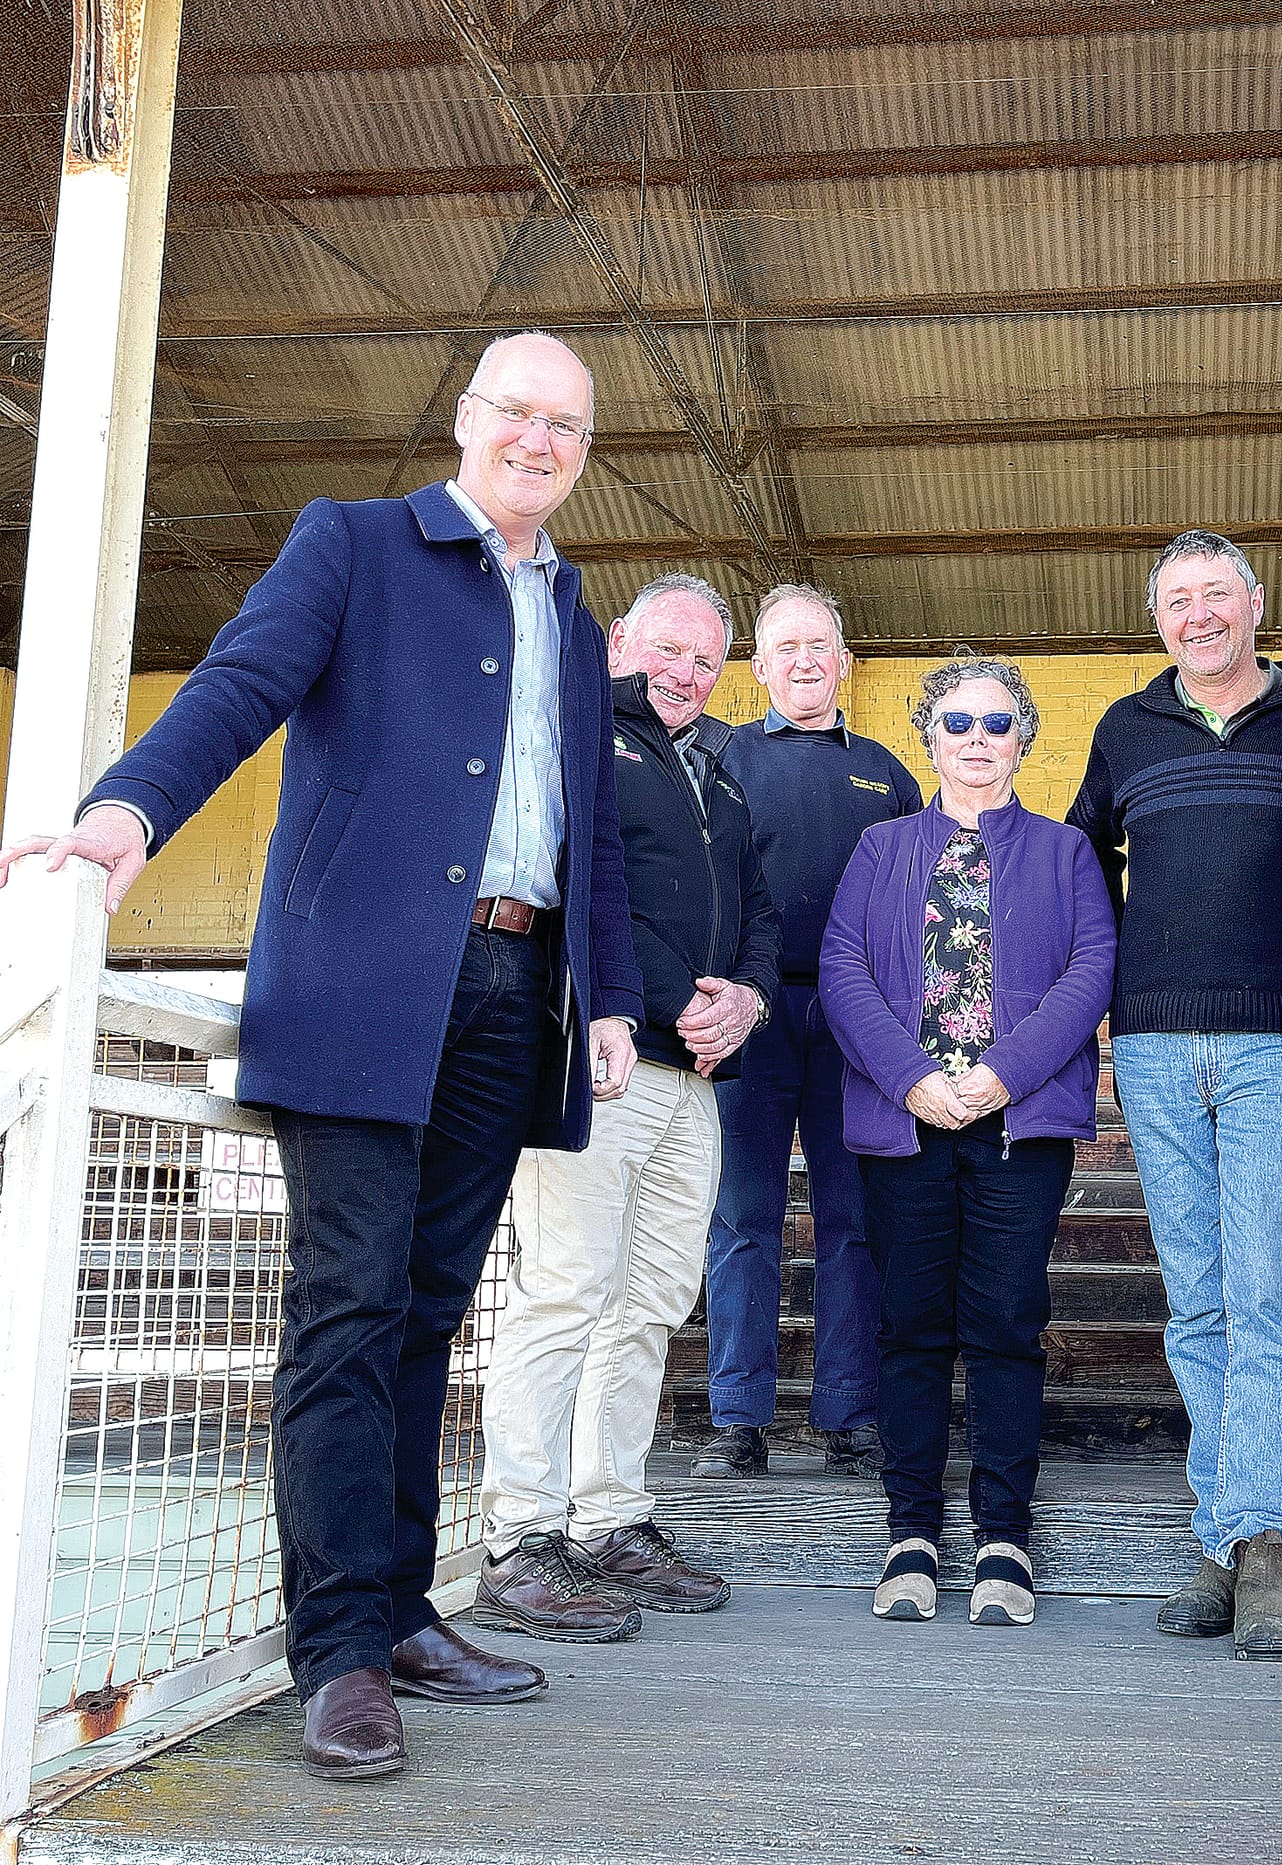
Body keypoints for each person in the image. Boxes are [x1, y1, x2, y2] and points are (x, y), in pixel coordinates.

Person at [0, 332, 643, 1780]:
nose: (539, 441)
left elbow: (586, 828)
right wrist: (126, 814)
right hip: (365, 983)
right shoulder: (354, 544)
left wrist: (608, 991)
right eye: (518, 414)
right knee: (348, 1307)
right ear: (469, 421)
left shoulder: (578, 618)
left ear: (583, 455)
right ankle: (341, 1649)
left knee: (430, 1313)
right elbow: (240, 685)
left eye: (568, 427)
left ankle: (405, 1606)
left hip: (513, 982)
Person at [1067, 531, 1282, 1661]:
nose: (1198, 616)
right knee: (1194, 1297)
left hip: (1275, 1041)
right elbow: (1078, 855)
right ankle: (1225, 1530)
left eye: (1215, 595)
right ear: (1160, 621)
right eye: (1176, 601)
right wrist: (1097, 990)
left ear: (1254, 603)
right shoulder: (1123, 727)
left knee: (1263, 1292)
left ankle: (1267, 1541)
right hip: (1148, 1045)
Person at [475, 573, 780, 1638]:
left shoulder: (724, 774)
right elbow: (574, 892)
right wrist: (646, 1002)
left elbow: (759, 918)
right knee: (564, 1290)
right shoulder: (574, 734)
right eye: (667, 649)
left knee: (648, 1300)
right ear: (619, 641)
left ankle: (609, 1517)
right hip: (595, 1061)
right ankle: (519, 1537)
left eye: (704, 658)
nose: (684, 673)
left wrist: (745, 998)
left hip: (691, 1077)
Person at [820, 660, 1114, 1627]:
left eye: (997, 721)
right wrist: (913, 1077)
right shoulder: (879, 845)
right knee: (909, 1325)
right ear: (929, 736)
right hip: (905, 1124)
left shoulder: (1066, 850)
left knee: (1004, 1322)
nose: (978, 737)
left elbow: (1089, 970)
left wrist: (999, 1078)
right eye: (958, 721)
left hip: (1016, 1126)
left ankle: (1003, 1536)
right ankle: (911, 1530)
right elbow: (842, 967)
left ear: (1022, 737)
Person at [696, 585, 923, 1479]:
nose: (803, 661)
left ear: (844, 662)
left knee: (852, 1220)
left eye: (819, 646)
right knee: (741, 1217)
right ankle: (737, 1418)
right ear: (760, 665)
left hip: (857, 1021)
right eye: (785, 647)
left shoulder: (886, 771)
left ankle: (849, 1414)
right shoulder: (722, 757)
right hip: (749, 1013)